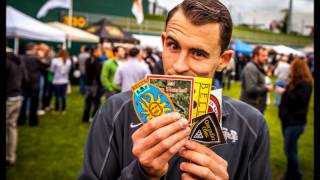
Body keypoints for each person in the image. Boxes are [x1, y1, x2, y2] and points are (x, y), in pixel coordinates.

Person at [79, 0, 271, 179]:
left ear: (223, 60)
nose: (179, 65)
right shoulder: (114, 111)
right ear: (163, 43)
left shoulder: (252, 126)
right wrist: (141, 174)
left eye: (198, 53)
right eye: (173, 46)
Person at [277, 58, 313, 180]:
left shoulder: (305, 84)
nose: (290, 70)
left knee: (290, 150)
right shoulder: (296, 82)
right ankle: (290, 173)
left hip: (295, 123)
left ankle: (296, 175)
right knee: (291, 149)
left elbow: (299, 100)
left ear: (297, 70)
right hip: (289, 121)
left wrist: (284, 92)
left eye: (292, 68)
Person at [18, 43, 49, 126]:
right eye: (36, 49)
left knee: (23, 103)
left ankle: (21, 120)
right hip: (34, 84)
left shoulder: (20, 57)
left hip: (23, 84)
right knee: (34, 104)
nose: (37, 50)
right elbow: (46, 65)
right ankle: (33, 121)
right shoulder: (36, 59)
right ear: (32, 49)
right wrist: (42, 57)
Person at [6, 50, 29, 165]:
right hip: (17, 97)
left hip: (9, 98)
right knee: (12, 127)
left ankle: (9, 155)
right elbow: (26, 79)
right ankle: (10, 156)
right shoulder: (19, 62)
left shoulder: (8, 62)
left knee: (10, 127)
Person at [240, 46, 274, 114]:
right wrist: (266, 88)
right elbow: (251, 88)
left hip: (257, 107)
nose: (266, 58)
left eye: (267, 55)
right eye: (263, 56)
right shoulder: (251, 68)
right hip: (250, 108)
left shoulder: (258, 67)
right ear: (256, 56)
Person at [82, 46, 103, 123]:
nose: (100, 53)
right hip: (95, 84)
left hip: (88, 83)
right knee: (96, 102)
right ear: (95, 52)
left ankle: (85, 118)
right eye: (99, 51)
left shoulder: (88, 60)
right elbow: (98, 74)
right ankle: (93, 118)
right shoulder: (97, 61)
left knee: (88, 101)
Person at [51, 49, 71, 114]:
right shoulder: (68, 61)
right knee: (63, 96)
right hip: (64, 80)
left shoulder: (55, 61)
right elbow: (68, 71)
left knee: (57, 96)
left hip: (56, 81)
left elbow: (52, 70)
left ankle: (56, 109)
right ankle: (63, 109)